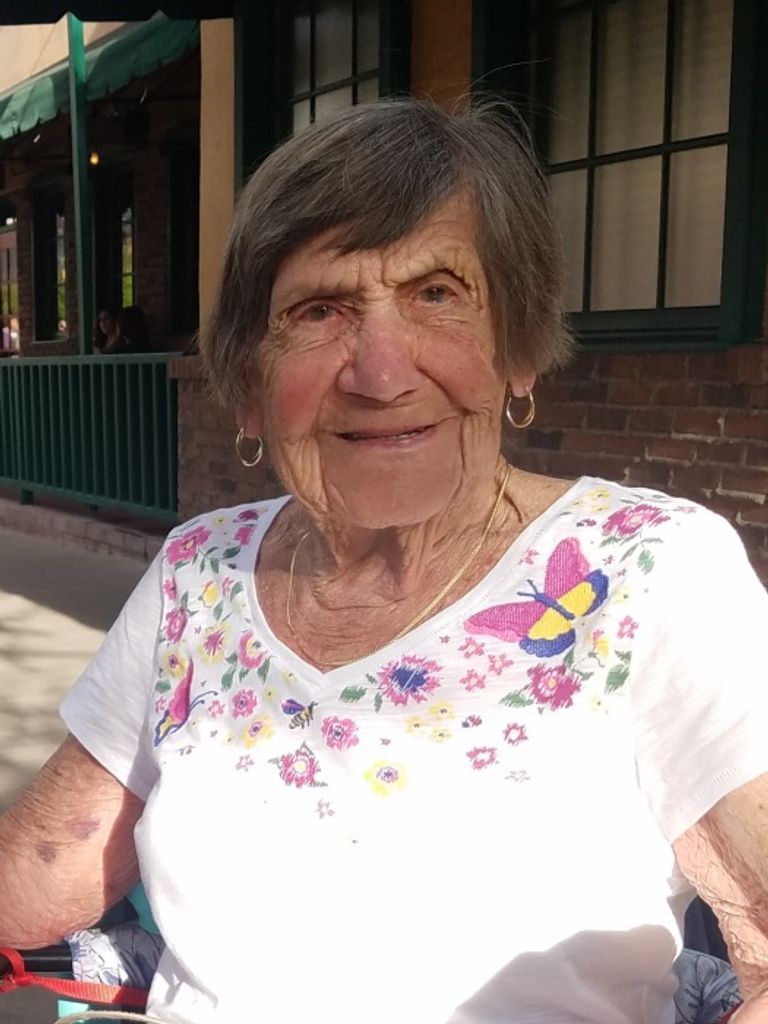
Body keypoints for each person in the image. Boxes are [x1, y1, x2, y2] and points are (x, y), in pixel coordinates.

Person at [0, 99, 766, 1024]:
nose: (382, 373)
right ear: (248, 385)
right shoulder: (200, 571)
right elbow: (45, 870)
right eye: (319, 311)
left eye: (437, 294)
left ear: (517, 351)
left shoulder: (651, 569)